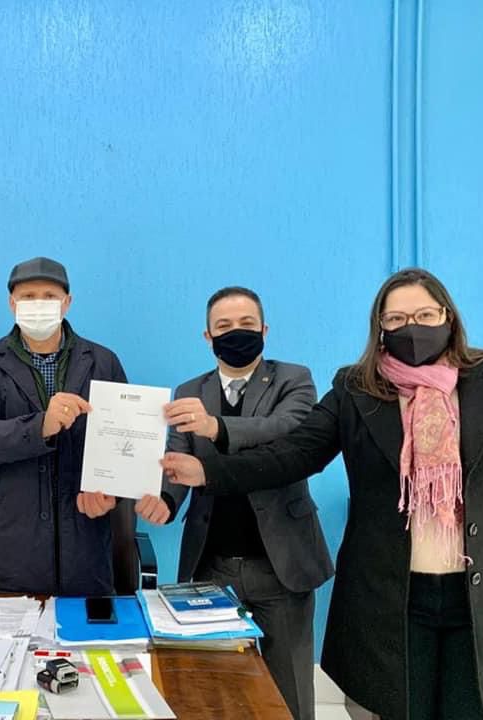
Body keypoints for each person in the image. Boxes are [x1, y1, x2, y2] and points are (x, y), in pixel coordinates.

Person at [162, 268, 483, 720]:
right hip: (392, 599)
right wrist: (208, 471)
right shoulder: (356, 387)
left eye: (424, 315)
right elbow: (293, 454)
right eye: (396, 319)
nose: (411, 328)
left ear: (448, 316)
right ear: (380, 326)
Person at [143, 286, 332, 720]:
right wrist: (166, 500)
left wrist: (216, 427)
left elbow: (288, 430)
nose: (236, 333)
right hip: (210, 564)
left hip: (280, 564)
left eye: (247, 324)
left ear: (264, 330)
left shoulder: (294, 379)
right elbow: (177, 455)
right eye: (224, 326)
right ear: (208, 337)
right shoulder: (190, 389)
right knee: (213, 688)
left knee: (290, 692)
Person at [0, 256, 142, 596]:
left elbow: (126, 443)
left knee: (83, 631)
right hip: (5, 555)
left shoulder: (102, 361)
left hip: (84, 553)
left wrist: (112, 494)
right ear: (12, 303)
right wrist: (40, 426)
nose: (38, 304)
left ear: (67, 302)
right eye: (28, 296)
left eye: (50, 296)